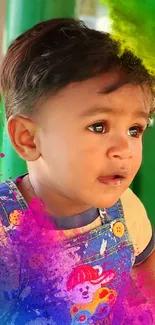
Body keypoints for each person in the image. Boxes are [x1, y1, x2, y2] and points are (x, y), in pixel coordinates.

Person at [0, 18, 154, 325]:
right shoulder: (5, 230)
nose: (124, 148)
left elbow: (145, 263)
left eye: (135, 129)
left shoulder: (127, 209)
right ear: (28, 139)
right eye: (99, 126)